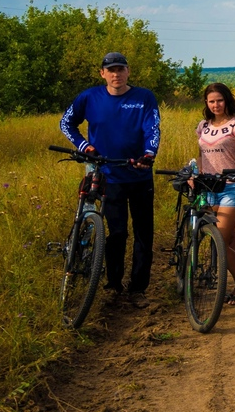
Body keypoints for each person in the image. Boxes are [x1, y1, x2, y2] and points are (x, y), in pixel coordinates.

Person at [60, 52, 161, 310]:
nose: (116, 74)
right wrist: (84, 146)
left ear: (128, 72)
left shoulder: (144, 97)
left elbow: (153, 127)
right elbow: (66, 122)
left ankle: (138, 288)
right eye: (111, 70)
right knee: (116, 233)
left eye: (121, 69)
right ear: (102, 73)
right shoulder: (89, 97)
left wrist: (149, 154)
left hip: (138, 173)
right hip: (107, 174)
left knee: (143, 234)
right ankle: (113, 284)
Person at [195, 82, 235, 306]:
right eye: (211, 101)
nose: (216, 105)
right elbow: (200, 154)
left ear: (227, 100)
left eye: (219, 100)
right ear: (207, 104)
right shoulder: (203, 125)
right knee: (229, 239)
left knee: (219, 238)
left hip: (232, 185)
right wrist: (196, 174)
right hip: (208, 187)